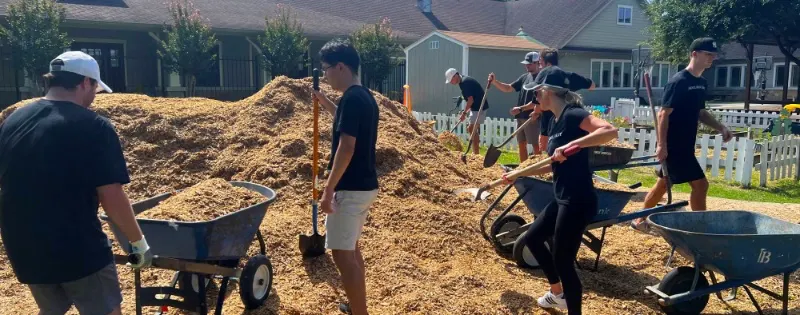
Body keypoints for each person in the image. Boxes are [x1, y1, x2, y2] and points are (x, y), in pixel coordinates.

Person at [0, 51, 152, 315]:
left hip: (24, 249)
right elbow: (111, 195)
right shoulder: (94, 127)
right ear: (84, 83)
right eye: (95, 88)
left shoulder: (14, 120)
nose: (94, 97)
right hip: (77, 248)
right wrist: (137, 242)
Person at [499, 67, 618, 314]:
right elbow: (552, 164)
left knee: (563, 260)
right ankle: (557, 293)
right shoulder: (553, 120)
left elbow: (609, 131)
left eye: (536, 94)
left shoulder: (574, 115)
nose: (534, 100)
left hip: (579, 200)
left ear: (546, 92)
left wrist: (573, 144)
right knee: (532, 238)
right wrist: (518, 174)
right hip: (562, 196)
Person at [631, 37, 733, 232]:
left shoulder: (701, 83)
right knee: (701, 185)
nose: (711, 58)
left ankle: (639, 220)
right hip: (674, 145)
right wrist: (662, 145)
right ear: (694, 54)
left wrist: (721, 127)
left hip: (686, 144)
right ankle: (700, 228)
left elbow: (700, 113)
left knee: (663, 184)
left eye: (713, 55)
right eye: (707, 54)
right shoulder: (678, 81)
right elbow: (663, 114)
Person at [310, 38, 380, 315]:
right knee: (350, 248)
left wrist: (328, 191)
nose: (325, 75)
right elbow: (343, 118)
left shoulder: (352, 98)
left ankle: (359, 312)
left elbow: (347, 147)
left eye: (326, 69)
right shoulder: (362, 96)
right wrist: (323, 100)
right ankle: (356, 305)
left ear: (341, 66)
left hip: (350, 188)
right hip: (364, 185)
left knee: (342, 255)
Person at [535, 49, 596, 151]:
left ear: (548, 64)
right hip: (556, 122)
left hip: (552, 123)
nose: (540, 68)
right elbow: (592, 86)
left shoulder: (543, 82)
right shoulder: (569, 77)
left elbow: (607, 131)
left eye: (540, 64)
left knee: (546, 148)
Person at [488, 51, 543, 161]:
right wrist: (494, 82)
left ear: (538, 63)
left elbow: (538, 102)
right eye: (526, 64)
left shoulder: (541, 78)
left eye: (530, 64)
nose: (527, 66)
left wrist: (521, 108)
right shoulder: (524, 77)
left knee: (536, 145)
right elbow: (508, 88)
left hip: (533, 117)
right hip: (520, 117)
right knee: (521, 144)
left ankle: (538, 171)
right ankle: (523, 169)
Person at [446, 68, 489, 155]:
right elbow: (471, 98)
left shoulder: (465, 83)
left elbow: (470, 100)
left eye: (451, 80)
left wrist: (465, 113)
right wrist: (465, 112)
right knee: (471, 129)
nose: (451, 82)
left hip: (480, 107)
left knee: (471, 128)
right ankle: (475, 151)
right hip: (475, 107)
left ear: (456, 76)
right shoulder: (462, 82)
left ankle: (476, 153)